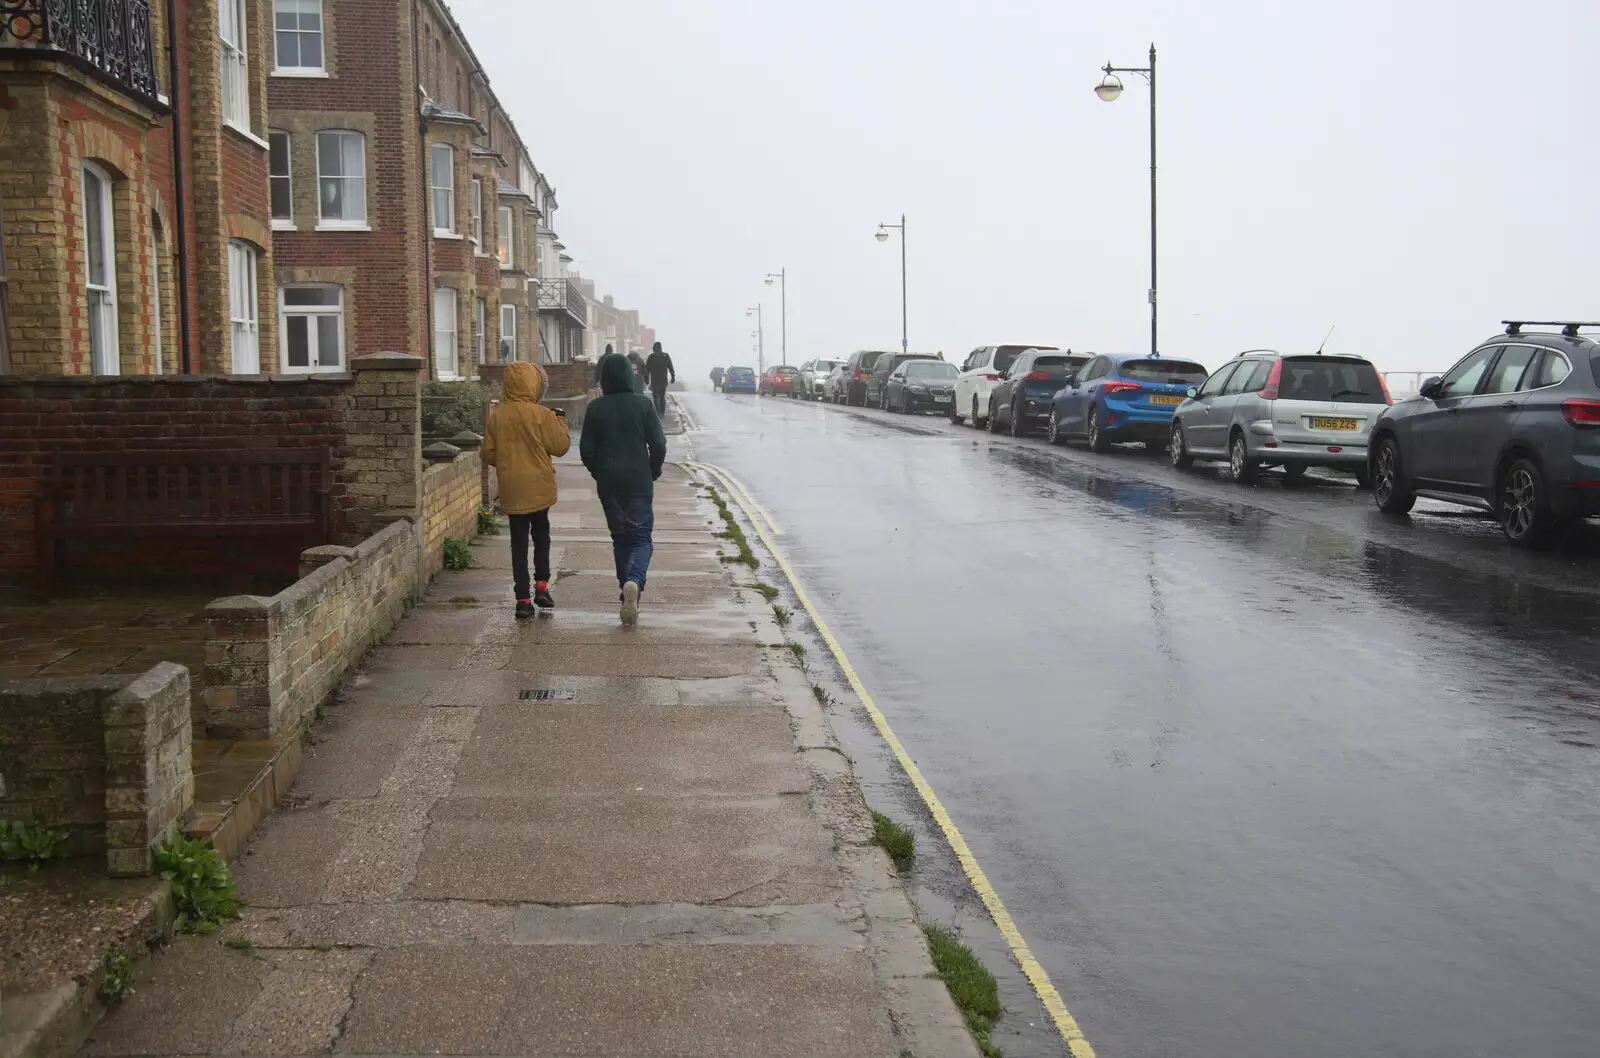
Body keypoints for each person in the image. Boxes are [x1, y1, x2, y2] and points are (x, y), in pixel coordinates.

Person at [580, 352, 666, 626]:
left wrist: (599, 472)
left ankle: (625, 589)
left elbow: (586, 451)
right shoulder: (643, 405)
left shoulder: (595, 408)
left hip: (609, 485)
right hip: (638, 482)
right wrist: (653, 470)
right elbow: (659, 445)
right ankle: (635, 583)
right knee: (641, 539)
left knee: (620, 539)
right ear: (630, 376)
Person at [481, 362, 570, 618]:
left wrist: (508, 461)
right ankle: (542, 586)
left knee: (518, 543)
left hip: (512, 486)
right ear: (534, 383)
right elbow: (560, 446)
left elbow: (487, 452)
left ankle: (522, 600)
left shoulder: (497, 417)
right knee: (541, 537)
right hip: (539, 486)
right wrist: (560, 420)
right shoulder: (542, 415)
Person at [645, 341, 676, 415]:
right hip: (663, 380)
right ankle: (662, 412)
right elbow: (670, 367)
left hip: (655, 381)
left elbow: (647, 369)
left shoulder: (651, 357)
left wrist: (646, 379)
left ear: (654, 348)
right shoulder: (666, 356)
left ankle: (658, 411)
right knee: (662, 396)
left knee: (655, 396)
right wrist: (672, 377)